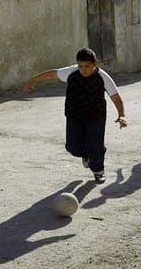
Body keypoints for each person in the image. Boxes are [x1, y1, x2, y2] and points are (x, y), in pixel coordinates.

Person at [24, 48, 127, 183]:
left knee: (96, 145)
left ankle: (98, 171)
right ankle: (86, 155)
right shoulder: (71, 72)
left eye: (87, 66)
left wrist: (122, 115)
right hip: (74, 115)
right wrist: (33, 80)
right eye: (81, 66)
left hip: (96, 116)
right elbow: (53, 74)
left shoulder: (103, 77)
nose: (84, 70)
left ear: (95, 63)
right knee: (72, 147)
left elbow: (116, 96)